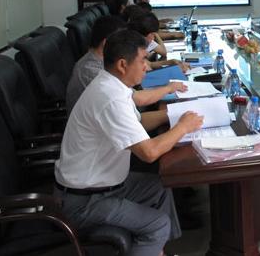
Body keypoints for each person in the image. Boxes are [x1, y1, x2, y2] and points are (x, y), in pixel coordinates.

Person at [54, 29, 204, 256]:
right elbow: (149, 152)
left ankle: (158, 250)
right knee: (157, 224)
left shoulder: (111, 84)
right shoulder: (110, 98)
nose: (146, 66)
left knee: (160, 187)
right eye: (142, 60)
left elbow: (138, 121)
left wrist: (172, 115)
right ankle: (155, 244)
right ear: (123, 65)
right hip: (84, 201)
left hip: (101, 185)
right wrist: (182, 127)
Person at [66, 15, 187, 113]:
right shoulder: (91, 70)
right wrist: (168, 89)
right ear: (106, 43)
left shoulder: (103, 61)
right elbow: (136, 98)